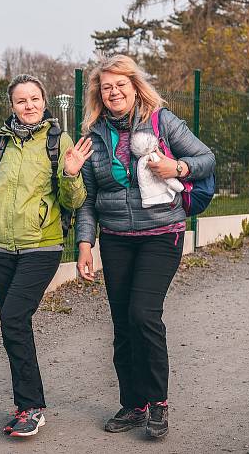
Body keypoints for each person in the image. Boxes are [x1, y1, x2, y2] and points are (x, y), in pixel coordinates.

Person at [74, 55, 215, 439]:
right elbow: (86, 198)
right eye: (107, 87)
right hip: (116, 238)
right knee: (122, 323)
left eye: (121, 84)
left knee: (143, 314)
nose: (114, 92)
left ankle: (158, 402)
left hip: (161, 233)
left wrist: (178, 169)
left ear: (135, 87)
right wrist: (85, 244)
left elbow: (206, 158)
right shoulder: (93, 135)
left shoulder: (163, 122)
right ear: (98, 94)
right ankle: (133, 404)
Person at [0, 73, 92, 438]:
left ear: (44, 102)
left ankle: (32, 407)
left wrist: (73, 174)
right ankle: (25, 404)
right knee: (15, 325)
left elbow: (73, 201)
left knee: (13, 317)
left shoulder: (59, 142)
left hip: (41, 246)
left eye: (34, 99)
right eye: (21, 101)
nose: (29, 106)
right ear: (11, 106)